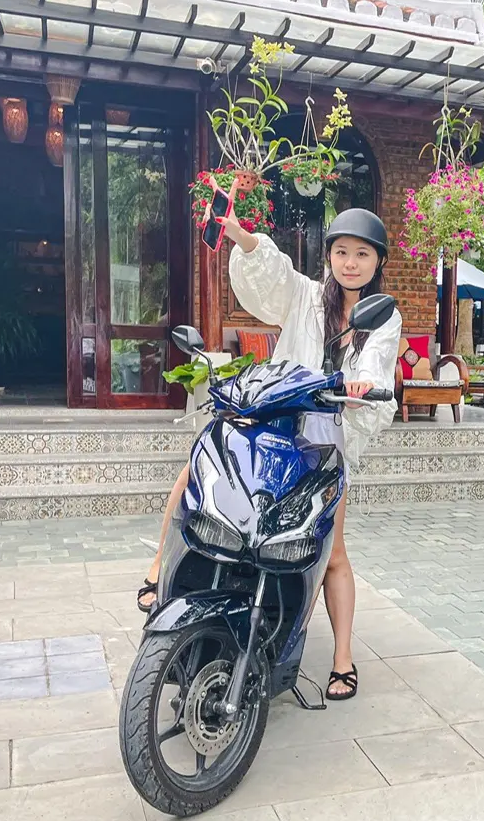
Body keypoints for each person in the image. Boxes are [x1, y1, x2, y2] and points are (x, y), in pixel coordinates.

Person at [136, 181, 402, 701]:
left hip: (327, 430)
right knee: (197, 476)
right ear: (329, 257)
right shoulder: (305, 294)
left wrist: (360, 384)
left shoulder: (382, 316)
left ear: (377, 263)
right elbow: (271, 272)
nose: (350, 263)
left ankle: (342, 657)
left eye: (361, 255)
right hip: (275, 416)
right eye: (342, 252)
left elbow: (375, 366)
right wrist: (238, 232)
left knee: (334, 553)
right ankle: (157, 572)